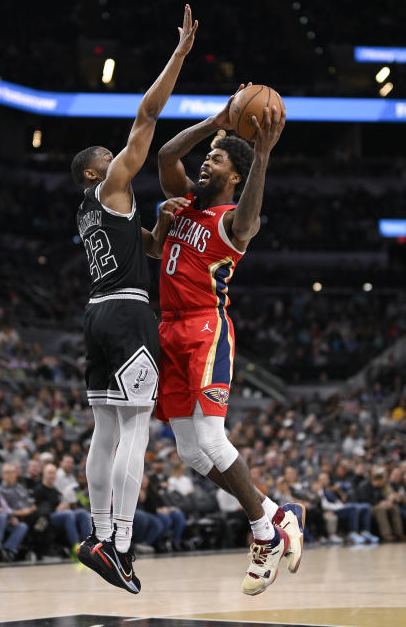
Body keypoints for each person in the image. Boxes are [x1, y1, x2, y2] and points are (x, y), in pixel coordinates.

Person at [70, 4, 197, 594]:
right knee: (136, 429)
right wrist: (178, 57)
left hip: (97, 312)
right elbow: (146, 116)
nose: (119, 158)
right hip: (126, 311)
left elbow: (146, 246)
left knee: (104, 429)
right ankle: (121, 544)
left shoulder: (92, 212)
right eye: (110, 158)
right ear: (99, 172)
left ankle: (98, 535)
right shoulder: (114, 181)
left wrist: (165, 224)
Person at [156, 87, 302, 594]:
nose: (205, 162)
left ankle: (264, 532)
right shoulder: (185, 206)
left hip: (204, 328)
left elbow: (248, 219)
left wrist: (260, 156)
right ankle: (277, 513)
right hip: (168, 329)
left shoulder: (234, 221)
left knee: (213, 439)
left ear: (234, 176)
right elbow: (166, 154)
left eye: (216, 158)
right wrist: (215, 120)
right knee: (192, 455)